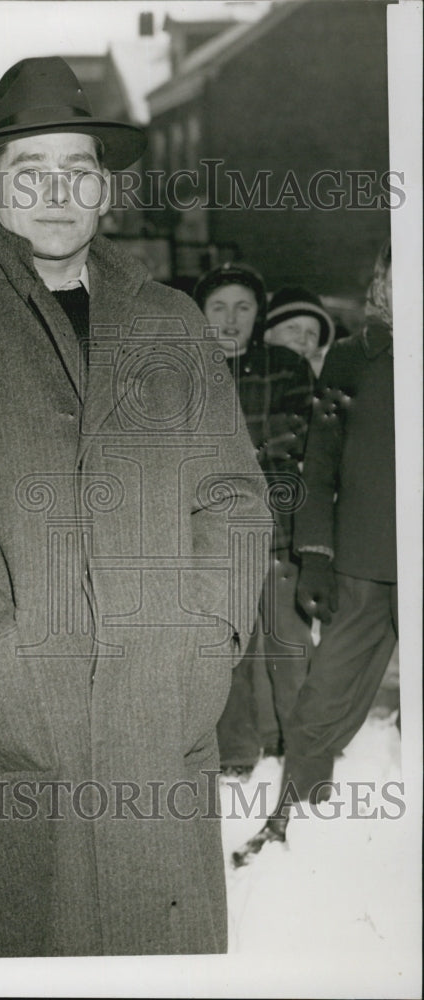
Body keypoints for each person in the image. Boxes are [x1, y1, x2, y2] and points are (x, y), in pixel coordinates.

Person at [0, 56, 271, 958]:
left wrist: (210, 634)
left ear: (105, 186)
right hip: (12, 716)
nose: (56, 193)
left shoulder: (171, 322)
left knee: (161, 960)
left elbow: (231, 495)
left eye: (76, 170)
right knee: (25, 955)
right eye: (29, 171)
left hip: (161, 710)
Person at [232, 239, 396, 866]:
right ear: (382, 280)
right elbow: (321, 461)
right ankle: (293, 824)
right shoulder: (354, 360)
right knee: (320, 700)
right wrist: (318, 554)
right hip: (364, 561)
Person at [194, 263, 315, 778]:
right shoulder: (184, 372)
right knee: (229, 649)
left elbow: (306, 438)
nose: (230, 318)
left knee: (289, 643)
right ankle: (237, 756)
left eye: (243, 307)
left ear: (257, 314)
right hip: (214, 537)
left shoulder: (286, 366)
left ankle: (305, 751)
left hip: (279, 532)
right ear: (200, 314)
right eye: (218, 306)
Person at [263, 285, 336, 378]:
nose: (302, 340)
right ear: (267, 334)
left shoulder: (317, 387)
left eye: (311, 333)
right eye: (292, 328)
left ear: (318, 347)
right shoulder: (246, 380)